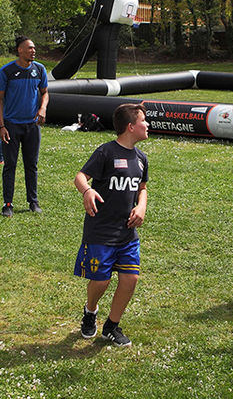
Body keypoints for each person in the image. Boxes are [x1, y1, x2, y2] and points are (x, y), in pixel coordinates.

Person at [74, 103, 149, 347]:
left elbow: (143, 189)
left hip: (127, 234)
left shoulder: (141, 159)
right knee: (101, 281)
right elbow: (80, 176)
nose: (147, 125)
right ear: (130, 127)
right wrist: (87, 191)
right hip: (101, 232)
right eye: (143, 121)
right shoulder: (106, 152)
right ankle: (90, 311)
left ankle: (111, 326)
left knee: (130, 280)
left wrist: (141, 207)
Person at [0, 37, 49, 216]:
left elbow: (45, 93)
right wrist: (1, 126)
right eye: (29, 48)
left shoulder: (39, 69)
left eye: (34, 48)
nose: (33, 51)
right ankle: (8, 204)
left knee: (31, 165)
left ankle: (33, 201)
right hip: (11, 125)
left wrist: (42, 108)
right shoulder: (7, 71)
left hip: (32, 126)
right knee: (10, 165)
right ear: (19, 50)